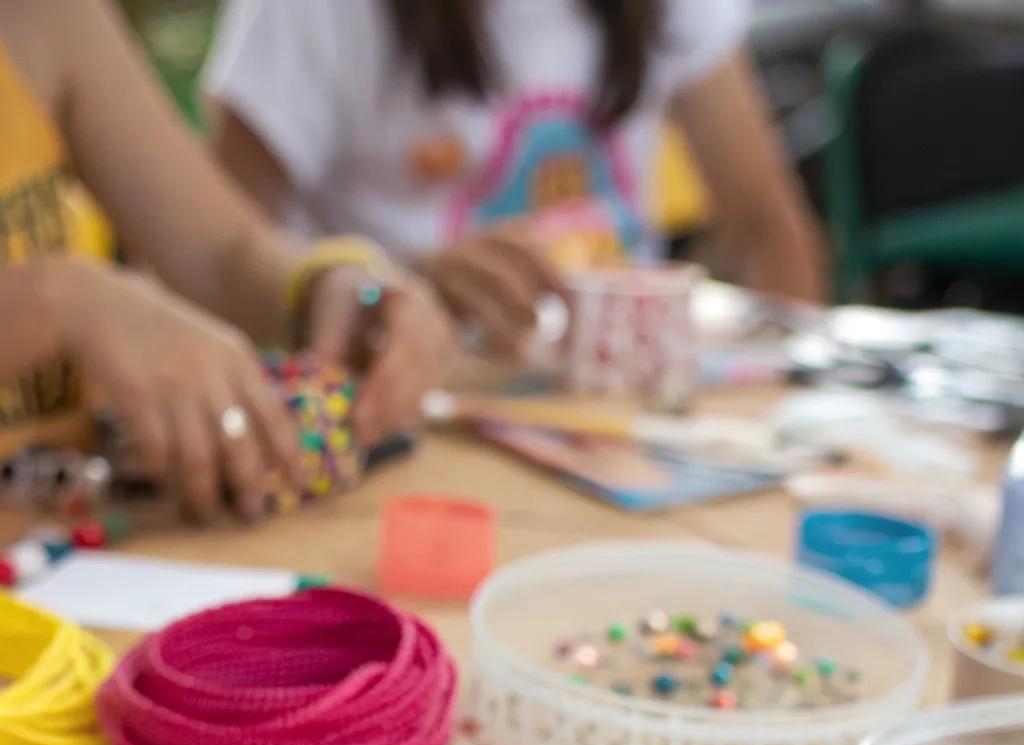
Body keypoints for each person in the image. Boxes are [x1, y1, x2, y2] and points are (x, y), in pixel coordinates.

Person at [0, 0, 452, 520]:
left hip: (67, 536)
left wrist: (331, 286)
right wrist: (59, 302)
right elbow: (69, 301)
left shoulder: (45, 17)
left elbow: (223, 254)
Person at [207, 0, 827, 356]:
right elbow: (211, 266)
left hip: (619, 421)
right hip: (406, 425)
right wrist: (398, 287)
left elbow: (770, 231)